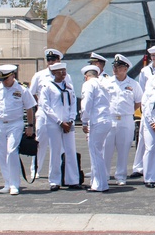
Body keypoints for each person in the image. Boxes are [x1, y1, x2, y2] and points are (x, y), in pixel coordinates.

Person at [0, 64, 36, 196]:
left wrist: (30, 126)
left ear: (13, 76)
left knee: (12, 151)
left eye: (6, 79)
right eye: (2, 79)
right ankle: (7, 182)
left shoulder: (22, 89)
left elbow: (29, 108)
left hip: (15, 123)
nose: (4, 82)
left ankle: (14, 184)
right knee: (1, 153)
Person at [28, 48, 72, 178]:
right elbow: (31, 94)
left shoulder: (66, 76)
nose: (51, 62)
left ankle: (58, 171)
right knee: (40, 141)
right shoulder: (39, 75)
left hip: (60, 114)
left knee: (59, 145)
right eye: (49, 60)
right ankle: (35, 169)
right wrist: (42, 103)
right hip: (43, 113)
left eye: (54, 60)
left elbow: (70, 94)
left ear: (59, 60)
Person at [39, 61, 80, 191]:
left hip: (68, 122)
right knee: (55, 151)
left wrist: (72, 119)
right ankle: (54, 180)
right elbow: (46, 107)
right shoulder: (47, 87)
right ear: (53, 73)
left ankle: (73, 179)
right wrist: (59, 122)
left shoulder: (69, 87)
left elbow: (73, 104)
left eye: (64, 71)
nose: (63, 74)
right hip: (54, 123)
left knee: (70, 151)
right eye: (60, 72)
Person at [106, 54, 142, 185]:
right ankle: (104, 175)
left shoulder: (133, 84)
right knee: (106, 149)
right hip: (109, 118)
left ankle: (121, 176)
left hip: (126, 119)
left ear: (125, 68)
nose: (115, 69)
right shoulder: (106, 82)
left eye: (118, 67)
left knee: (123, 149)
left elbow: (138, 102)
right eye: (114, 66)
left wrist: (129, 111)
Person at [130, 45, 155, 179]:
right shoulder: (145, 71)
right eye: (153, 55)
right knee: (144, 140)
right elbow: (142, 91)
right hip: (148, 109)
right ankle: (139, 167)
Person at [79, 63, 111, 192]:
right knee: (98, 152)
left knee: (95, 152)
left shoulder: (88, 84)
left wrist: (84, 120)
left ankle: (99, 185)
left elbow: (86, 103)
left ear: (86, 76)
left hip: (97, 121)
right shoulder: (103, 84)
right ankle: (101, 182)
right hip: (106, 119)